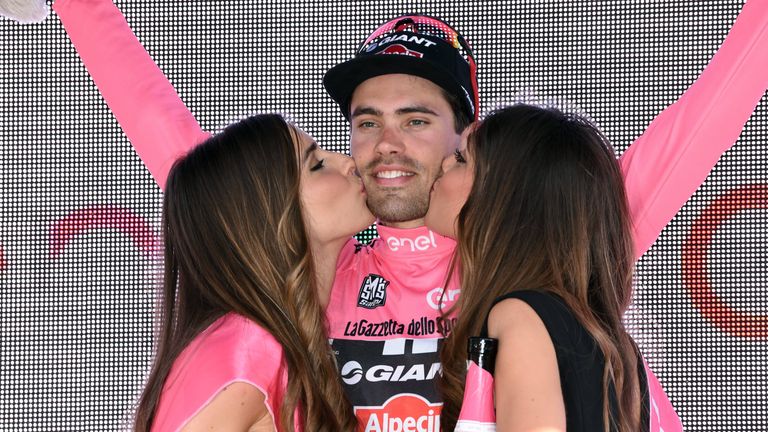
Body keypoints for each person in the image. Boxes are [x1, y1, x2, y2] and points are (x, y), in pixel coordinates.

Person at [47, 0, 768, 427]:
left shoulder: (542, 227)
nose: (384, 145)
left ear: (468, 135)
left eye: (417, 120)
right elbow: (178, 146)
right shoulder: (314, 248)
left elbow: (713, 108)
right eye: (364, 121)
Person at [427, 104, 679, 431]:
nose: (443, 163)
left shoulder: (518, 316)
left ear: (507, 198)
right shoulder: (605, 337)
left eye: (461, 159)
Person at [134, 114, 372, 430]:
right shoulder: (247, 349)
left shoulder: (279, 342)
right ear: (266, 215)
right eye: (316, 165)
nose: (347, 162)